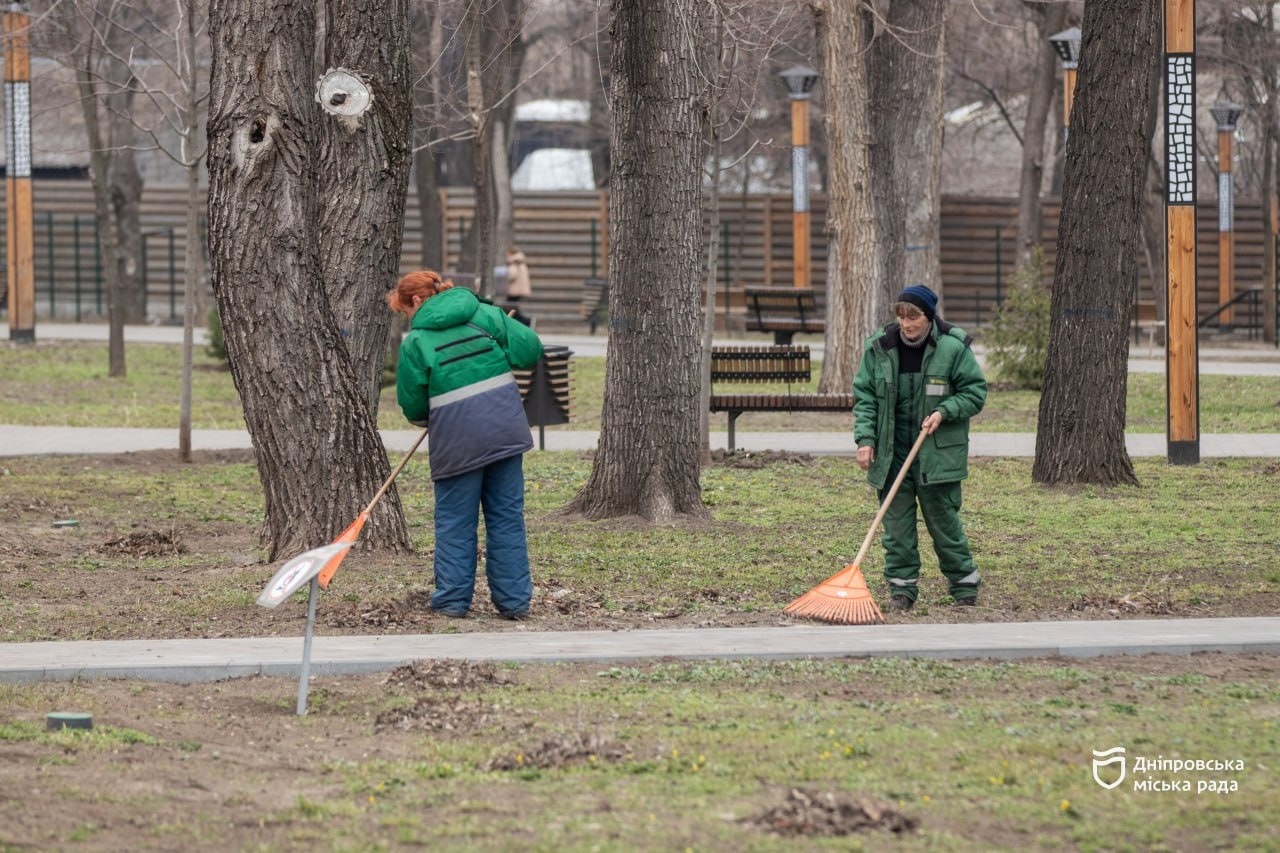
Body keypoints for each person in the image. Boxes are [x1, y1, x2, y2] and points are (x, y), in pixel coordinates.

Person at [387, 269, 544, 619]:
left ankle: (452, 601)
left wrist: (427, 415)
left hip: (456, 441)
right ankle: (515, 602)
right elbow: (530, 350)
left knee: (455, 520)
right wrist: (502, 332)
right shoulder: (485, 315)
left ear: (417, 301)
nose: (407, 317)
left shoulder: (416, 342)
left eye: (404, 310)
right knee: (506, 517)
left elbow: (413, 405)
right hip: (504, 432)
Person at [852, 284, 988, 612]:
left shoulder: (953, 348)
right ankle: (902, 590)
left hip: (935, 452)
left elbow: (975, 392)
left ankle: (964, 586)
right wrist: (865, 440)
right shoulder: (879, 347)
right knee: (896, 526)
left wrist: (945, 411)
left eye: (914, 317)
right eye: (902, 316)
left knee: (943, 521)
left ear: (929, 316)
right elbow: (865, 397)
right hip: (892, 452)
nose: (907, 324)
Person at [503, 247, 534, 327]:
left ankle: (527, 321)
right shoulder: (520, 261)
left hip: (515, 290)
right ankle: (524, 322)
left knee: (511, 308)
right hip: (519, 289)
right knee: (513, 309)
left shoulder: (514, 262)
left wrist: (505, 273)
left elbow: (512, 275)